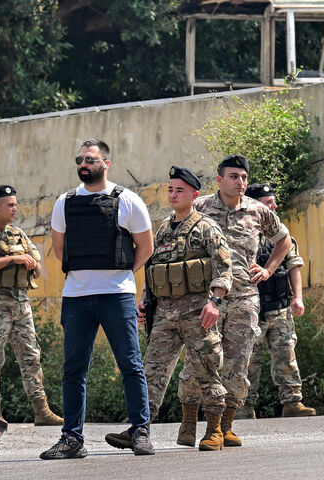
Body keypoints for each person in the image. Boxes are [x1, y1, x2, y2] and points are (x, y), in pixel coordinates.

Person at [40, 139, 155, 460]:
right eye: (79, 159)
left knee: (131, 365)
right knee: (73, 370)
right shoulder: (65, 202)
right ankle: (72, 439)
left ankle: (140, 431)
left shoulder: (128, 200)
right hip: (76, 297)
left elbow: (145, 249)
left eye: (89, 159)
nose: (83, 164)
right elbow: (61, 251)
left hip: (116, 296)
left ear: (106, 163)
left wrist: (121, 273)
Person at [105, 165, 232, 452]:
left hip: (198, 311)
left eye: (180, 190)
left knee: (207, 367)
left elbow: (224, 267)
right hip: (164, 313)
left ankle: (214, 430)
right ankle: (140, 429)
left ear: (194, 195)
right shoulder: (162, 229)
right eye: (171, 189)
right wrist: (144, 300)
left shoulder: (206, 227)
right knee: (151, 370)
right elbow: (153, 269)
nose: (174, 195)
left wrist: (215, 302)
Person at [177, 154, 293, 447]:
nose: (240, 182)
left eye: (243, 177)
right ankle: (189, 421)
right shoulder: (199, 207)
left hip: (244, 298)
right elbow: (171, 240)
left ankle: (221, 428)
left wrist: (268, 269)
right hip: (206, 300)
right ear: (219, 180)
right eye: (233, 176)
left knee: (237, 364)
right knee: (199, 360)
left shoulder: (257, 211)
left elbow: (284, 240)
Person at [0, 185, 63, 426]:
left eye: (15, 204)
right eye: (11, 204)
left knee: (31, 356)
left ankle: (42, 410)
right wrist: (13, 258)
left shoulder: (18, 234)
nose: (16, 208)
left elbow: (37, 266)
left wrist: (32, 264)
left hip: (21, 303)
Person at [235, 183, 316, 419]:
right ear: (257, 204)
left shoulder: (282, 236)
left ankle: (292, 403)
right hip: (252, 310)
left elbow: (293, 268)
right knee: (249, 361)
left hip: (280, 308)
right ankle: (244, 407)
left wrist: (298, 299)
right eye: (269, 202)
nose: (275, 205)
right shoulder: (242, 233)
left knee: (286, 356)